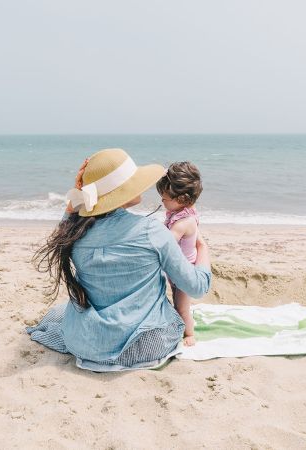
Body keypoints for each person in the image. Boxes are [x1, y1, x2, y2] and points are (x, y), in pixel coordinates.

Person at [28, 148, 211, 371]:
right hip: (146, 345)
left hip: (87, 343)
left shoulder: (73, 234)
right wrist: (202, 248)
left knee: (60, 313)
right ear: (121, 192)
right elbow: (197, 287)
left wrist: (79, 194)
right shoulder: (151, 232)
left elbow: (63, 228)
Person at [156, 161, 203, 346]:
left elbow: (166, 242)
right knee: (177, 300)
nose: (162, 201)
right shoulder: (186, 211)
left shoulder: (182, 223)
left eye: (165, 198)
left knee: (181, 306)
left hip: (183, 272)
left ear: (182, 199)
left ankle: (189, 334)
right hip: (177, 269)